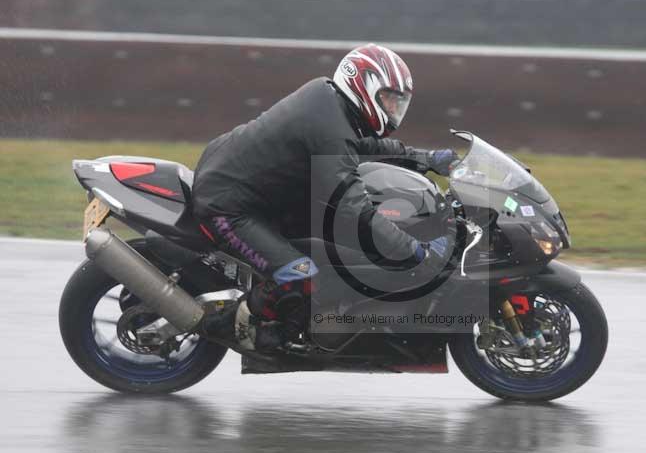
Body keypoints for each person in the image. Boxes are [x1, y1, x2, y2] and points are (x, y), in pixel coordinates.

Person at [192, 43, 458, 352]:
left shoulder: (332, 104)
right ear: (364, 86)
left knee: (335, 251)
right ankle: (227, 327)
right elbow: (355, 210)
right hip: (228, 206)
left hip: (256, 192)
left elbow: (365, 146)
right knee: (303, 277)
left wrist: (428, 158)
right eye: (388, 99)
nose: (393, 110)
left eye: (399, 103)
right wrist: (416, 253)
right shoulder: (328, 122)